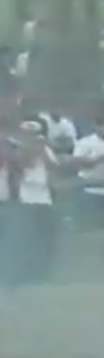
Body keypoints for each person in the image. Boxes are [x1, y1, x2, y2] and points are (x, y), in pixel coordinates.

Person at [0, 119, 59, 290]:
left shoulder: (44, 149)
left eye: (34, 134)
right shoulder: (17, 151)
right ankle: (18, 277)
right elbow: (20, 166)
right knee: (24, 240)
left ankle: (40, 274)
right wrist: (29, 150)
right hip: (26, 200)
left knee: (44, 240)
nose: (32, 137)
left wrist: (42, 150)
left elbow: (53, 166)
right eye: (28, 134)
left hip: (45, 199)